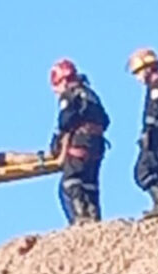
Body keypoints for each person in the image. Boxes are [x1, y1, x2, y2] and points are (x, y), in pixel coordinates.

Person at [49, 58, 110, 225]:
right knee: (90, 183)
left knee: (71, 182)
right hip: (97, 145)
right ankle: (94, 217)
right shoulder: (90, 94)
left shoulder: (69, 95)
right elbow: (105, 120)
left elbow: (65, 121)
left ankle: (80, 218)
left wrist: (56, 143)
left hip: (79, 143)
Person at [127, 48, 158, 218]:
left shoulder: (157, 87)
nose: (138, 78)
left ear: (148, 68)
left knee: (144, 170)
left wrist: (148, 133)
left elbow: (155, 112)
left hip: (157, 137)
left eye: (138, 72)